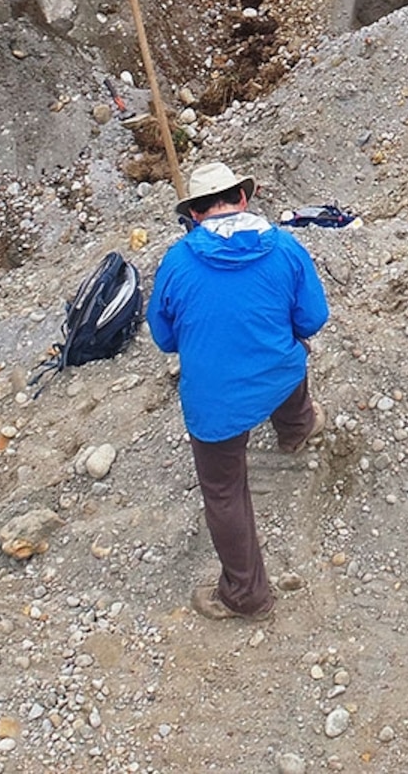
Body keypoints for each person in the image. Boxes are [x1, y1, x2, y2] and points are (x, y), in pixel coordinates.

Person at [146, 161, 331, 619]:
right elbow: (312, 318)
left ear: (194, 213)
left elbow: (164, 338)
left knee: (224, 492)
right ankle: (297, 428)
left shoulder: (177, 261)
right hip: (278, 374)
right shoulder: (285, 247)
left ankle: (247, 595)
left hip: (216, 403)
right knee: (291, 351)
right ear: (243, 199)